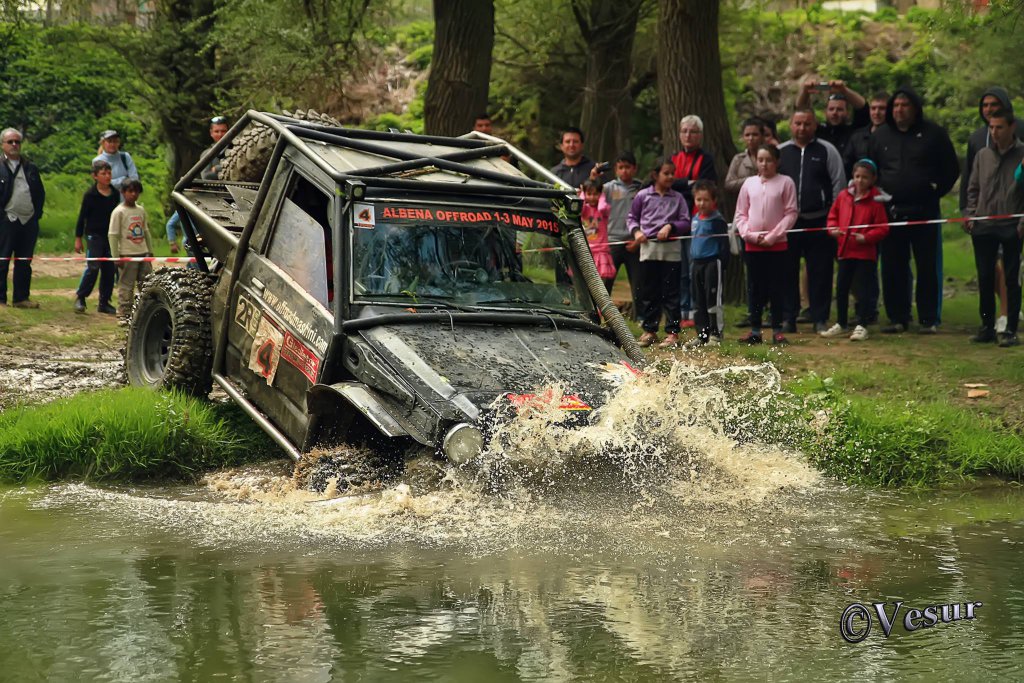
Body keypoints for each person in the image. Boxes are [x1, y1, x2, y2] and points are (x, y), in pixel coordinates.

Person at [868, 86, 959, 334]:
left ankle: (929, 319)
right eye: (896, 105)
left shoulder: (934, 134)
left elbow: (951, 168)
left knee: (927, 266)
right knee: (892, 266)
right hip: (890, 211)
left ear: (915, 108)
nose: (899, 110)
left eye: (905, 105)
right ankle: (898, 317)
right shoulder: (880, 136)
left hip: (924, 211)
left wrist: (934, 191)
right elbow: (871, 169)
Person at [778, 108, 845, 333]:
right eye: (798, 123)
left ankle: (820, 317)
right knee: (786, 270)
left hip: (820, 220)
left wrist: (834, 217)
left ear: (815, 125)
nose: (802, 128)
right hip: (788, 222)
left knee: (821, 271)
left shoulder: (827, 150)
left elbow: (838, 184)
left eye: (807, 123)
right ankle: (788, 317)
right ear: (791, 125)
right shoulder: (781, 152)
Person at [965, 108, 1024, 348]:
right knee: (985, 277)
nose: (994, 132)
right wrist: (971, 214)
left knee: (1012, 278)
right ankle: (986, 327)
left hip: (1011, 225)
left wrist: (1022, 222)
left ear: (1011, 127)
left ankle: (1010, 329)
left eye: (999, 127)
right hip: (984, 224)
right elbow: (972, 188)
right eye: (991, 127)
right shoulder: (983, 155)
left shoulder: (1021, 154)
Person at [734, 144, 798, 346]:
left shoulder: (785, 182)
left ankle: (777, 329)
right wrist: (749, 235)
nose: (764, 164)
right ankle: (755, 329)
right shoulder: (749, 183)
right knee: (755, 287)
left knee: (776, 287)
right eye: (760, 160)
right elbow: (741, 213)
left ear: (776, 162)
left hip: (777, 246)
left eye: (769, 160)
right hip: (753, 246)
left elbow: (791, 213)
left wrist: (773, 236)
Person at [819, 160, 889, 341]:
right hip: (845, 250)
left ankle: (862, 325)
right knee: (842, 288)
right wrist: (833, 229)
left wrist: (866, 238)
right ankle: (841, 323)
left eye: (865, 177)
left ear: (873, 179)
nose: (860, 180)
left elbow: (882, 228)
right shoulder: (843, 196)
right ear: (852, 176)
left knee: (864, 290)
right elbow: (832, 217)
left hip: (865, 253)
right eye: (857, 176)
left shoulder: (876, 200)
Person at [627, 157, 691, 349]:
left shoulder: (678, 198)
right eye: (666, 173)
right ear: (655, 175)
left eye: (673, 173)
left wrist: (670, 226)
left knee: (671, 293)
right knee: (649, 292)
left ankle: (672, 333)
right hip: (649, 249)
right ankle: (650, 331)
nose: (670, 177)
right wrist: (636, 232)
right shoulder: (643, 196)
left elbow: (686, 222)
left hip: (671, 251)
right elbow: (632, 218)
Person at [671, 115, 718, 329]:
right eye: (684, 131)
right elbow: (669, 184)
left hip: (698, 220)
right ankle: (682, 310)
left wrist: (682, 185)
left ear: (700, 135)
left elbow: (705, 186)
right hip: (676, 220)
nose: (688, 135)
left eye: (693, 131)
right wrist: (688, 184)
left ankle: (694, 310)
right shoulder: (674, 158)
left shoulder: (706, 160)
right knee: (681, 269)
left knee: (693, 268)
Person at [725, 117, 765, 328]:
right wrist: (751, 181)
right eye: (747, 135)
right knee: (750, 270)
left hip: (768, 219)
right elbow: (729, 183)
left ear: (762, 136)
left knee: (769, 270)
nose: (751, 138)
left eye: (755, 134)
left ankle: (771, 310)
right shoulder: (739, 160)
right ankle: (753, 311)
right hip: (745, 219)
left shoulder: (769, 157)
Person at [0, 128, 46, 308]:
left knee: (24, 262)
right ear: (3, 144)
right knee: (2, 260)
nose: (14, 145)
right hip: (6, 220)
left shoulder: (30, 167)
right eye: (10, 142)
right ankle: (0, 299)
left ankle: (21, 298)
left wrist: (36, 216)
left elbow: (40, 193)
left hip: (28, 221)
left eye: (17, 142)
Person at [684, 180, 729, 348]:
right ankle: (702, 335)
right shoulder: (695, 219)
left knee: (712, 300)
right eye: (699, 200)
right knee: (699, 300)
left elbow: (724, 246)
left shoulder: (717, 221)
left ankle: (716, 334)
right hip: (696, 264)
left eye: (706, 200)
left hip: (712, 263)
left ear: (713, 200)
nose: (702, 203)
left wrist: (722, 265)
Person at [73, 160, 120, 314]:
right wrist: (78, 238)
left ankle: (104, 302)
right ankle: (81, 297)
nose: (107, 176)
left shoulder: (115, 194)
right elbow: (82, 217)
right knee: (93, 267)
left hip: (110, 236)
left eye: (109, 173)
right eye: (103, 173)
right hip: (94, 235)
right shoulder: (90, 195)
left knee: (109, 268)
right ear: (95, 176)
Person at [796, 79, 869, 170]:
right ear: (825, 112)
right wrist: (805, 92)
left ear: (847, 113)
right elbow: (801, 111)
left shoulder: (854, 132)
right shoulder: (818, 131)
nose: (835, 113)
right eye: (831, 109)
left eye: (839, 109)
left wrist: (844, 90)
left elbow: (863, 108)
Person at [603, 151, 642, 315]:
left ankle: (640, 317)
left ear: (634, 168)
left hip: (634, 242)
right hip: (612, 241)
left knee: (638, 283)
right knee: (606, 281)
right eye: (621, 167)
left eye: (628, 167)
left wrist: (638, 238)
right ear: (615, 169)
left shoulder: (641, 189)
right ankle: (601, 313)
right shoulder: (608, 188)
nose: (624, 171)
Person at [108, 179, 153, 318]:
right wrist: (116, 257)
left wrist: (150, 251)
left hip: (142, 253)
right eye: (130, 191)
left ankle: (146, 312)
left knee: (147, 283)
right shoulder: (119, 212)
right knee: (127, 285)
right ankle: (124, 313)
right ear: (123, 192)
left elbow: (145, 231)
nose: (134, 194)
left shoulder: (140, 210)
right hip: (127, 254)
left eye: (136, 191)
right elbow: (113, 235)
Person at [580, 178, 616, 291]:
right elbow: (580, 206)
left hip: (600, 252)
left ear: (600, 195)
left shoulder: (604, 210)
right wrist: (582, 193)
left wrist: (602, 195)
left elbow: (602, 207)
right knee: (584, 287)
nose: (592, 197)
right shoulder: (584, 210)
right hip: (586, 252)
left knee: (599, 288)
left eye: (595, 194)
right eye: (589, 194)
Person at [201, 116, 230, 181]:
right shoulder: (207, 153)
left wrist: (216, 168)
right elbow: (206, 176)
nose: (220, 134)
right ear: (211, 133)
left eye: (223, 131)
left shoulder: (236, 149)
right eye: (216, 131)